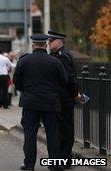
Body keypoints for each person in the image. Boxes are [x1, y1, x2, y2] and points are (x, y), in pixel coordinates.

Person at [13, 34, 68, 171]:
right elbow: (64, 81)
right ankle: (55, 165)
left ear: (33, 45)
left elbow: (16, 82)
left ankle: (29, 164)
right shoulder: (55, 61)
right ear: (45, 45)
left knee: (30, 134)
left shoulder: (24, 61)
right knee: (52, 134)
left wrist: (26, 91)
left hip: (30, 103)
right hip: (50, 102)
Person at [48, 31, 82, 169]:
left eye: (52, 41)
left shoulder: (63, 56)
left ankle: (65, 159)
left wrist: (75, 94)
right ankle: (61, 158)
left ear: (59, 41)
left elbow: (70, 79)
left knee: (66, 131)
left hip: (64, 99)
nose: (49, 43)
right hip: (57, 99)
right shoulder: (56, 55)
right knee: (59, 130)